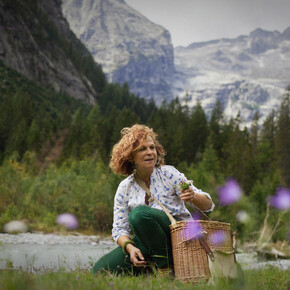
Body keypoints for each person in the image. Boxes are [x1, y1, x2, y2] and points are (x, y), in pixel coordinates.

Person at [92, 124, 214, 276]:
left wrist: (193, 196)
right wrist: (130, 247)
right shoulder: (125, 187)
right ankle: (149, 268)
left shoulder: (169, 174)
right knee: (100, 271)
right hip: (145, 240)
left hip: (179, 236)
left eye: (152, 147)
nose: (150, 152)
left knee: (139, 214)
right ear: (131, 156)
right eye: (143, 149)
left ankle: (166, 268)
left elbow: (208, 205)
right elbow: (119, 229)